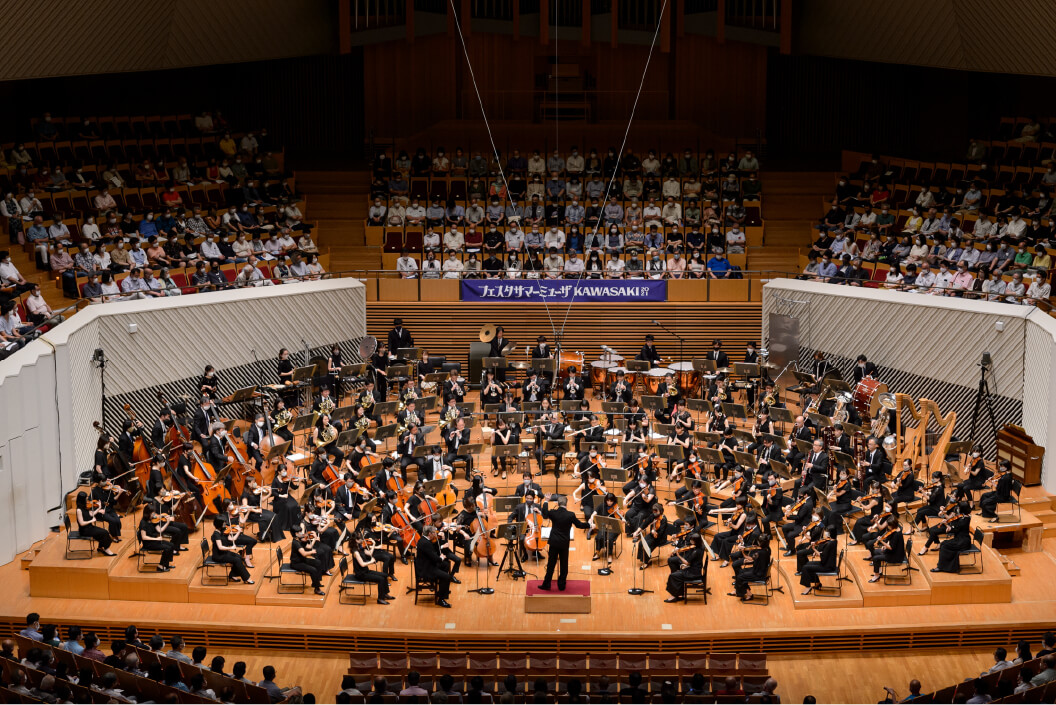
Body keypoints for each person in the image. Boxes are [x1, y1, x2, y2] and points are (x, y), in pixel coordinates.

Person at [537, 494, 589, 591]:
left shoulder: (553, 513)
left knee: (551, 565)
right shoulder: (570, 515)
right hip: (564, 543)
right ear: (566, 504)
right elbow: (579, 525)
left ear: (558, 503)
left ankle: (546, 584)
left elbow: (544, 514)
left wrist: (546, 501)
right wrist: (589, 524)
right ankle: (561, 585)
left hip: (554, 542)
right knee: (564, 565)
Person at [415, 525, 453, 607]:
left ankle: (443, 589)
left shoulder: (424, 540)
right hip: (426, 569)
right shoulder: (425, 543)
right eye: (434, 533)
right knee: (447, 577)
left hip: (428, 564)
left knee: (445, 565)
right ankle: (441, 599)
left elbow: (433, 551)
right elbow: (435, 558)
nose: (435, 534)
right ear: (429, 534)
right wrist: (441, 558)